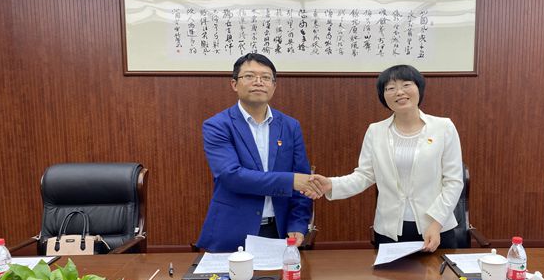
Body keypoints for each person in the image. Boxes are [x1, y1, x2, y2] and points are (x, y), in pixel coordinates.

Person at [311, 65, 463, 251]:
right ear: (383, 96)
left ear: (419, 88)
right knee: (390, 272)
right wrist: (331, 184)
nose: (399, 92)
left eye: (406, 85)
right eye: (390, 88)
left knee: (437, 272)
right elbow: (365, 175)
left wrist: (436, 223)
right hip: (389, 230)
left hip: (436, 228)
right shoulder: (375, 131)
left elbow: (454, 181)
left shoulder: (443, 127)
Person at [196, 53, 320, 252]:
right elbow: (231, 176)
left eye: (265, 77)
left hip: (280, 231)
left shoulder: (290, 126)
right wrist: (290, 181)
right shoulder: (218, 125)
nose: (258, 82)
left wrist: (297, 223)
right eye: (250, 76)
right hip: (233, 230)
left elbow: (303, 182)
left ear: (274, 86)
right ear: (234, 84)